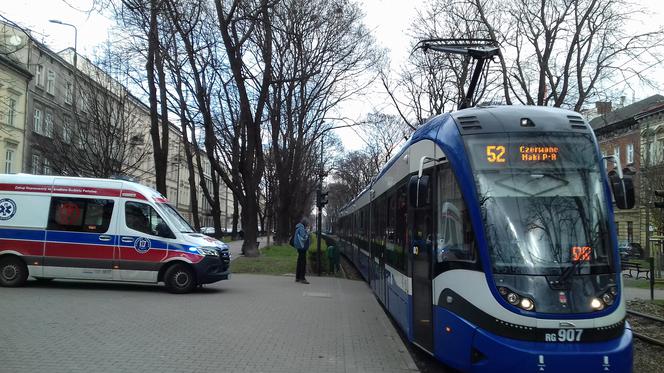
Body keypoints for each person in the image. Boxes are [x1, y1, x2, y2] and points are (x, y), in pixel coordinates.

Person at [293, 217, 311, 284]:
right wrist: (308, 232)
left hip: (299, 247)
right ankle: (302, 278)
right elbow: (304, 237)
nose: (307, 225)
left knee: (299, 261)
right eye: (307, 224)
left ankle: (297, 277)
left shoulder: (298, 227)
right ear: (305, 223)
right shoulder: (301, 228)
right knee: (303, 262)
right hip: (302, 247)